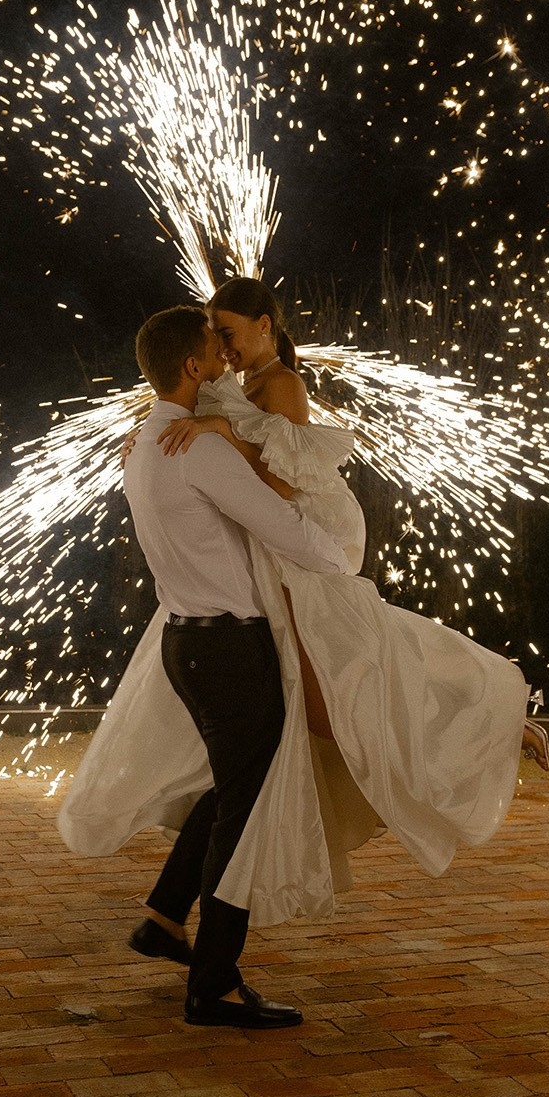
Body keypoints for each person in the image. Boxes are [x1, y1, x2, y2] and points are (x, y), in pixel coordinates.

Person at [60, 278, 544, 955]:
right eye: (213, 336)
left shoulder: (274, 387)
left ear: (263, 326)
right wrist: (174, 435)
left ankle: (494, 721)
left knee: (352, 687)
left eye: (229, 331)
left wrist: (219, 434)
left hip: (295, 560)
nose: (222, 347)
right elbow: (187, 425)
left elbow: (284, 486)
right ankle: (182, 931)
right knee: (275, 752)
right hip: (265, 575)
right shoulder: (200, 407)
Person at [102, 304, 353, 1029]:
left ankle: (164, 917)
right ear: (191, 367)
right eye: (212, 345)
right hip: (228, 647)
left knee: (238, 783)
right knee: (246, 810)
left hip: (187, 640)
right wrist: (344, 567)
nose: (222, 351)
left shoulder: (146, 444)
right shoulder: (198, 449)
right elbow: (282, 525)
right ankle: (211, 984)